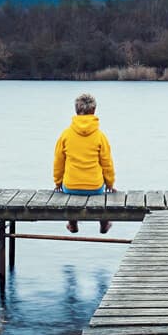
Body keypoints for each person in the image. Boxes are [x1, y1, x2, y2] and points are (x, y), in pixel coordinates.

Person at [53, 93, 116, 234]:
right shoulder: (100, 136)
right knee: (102, 195)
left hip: (70, 187)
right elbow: (107, 164)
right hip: (95, 187)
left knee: (70, 188)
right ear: (94, 111)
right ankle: (104, 223)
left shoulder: (65, 135)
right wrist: (110, 184)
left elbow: (58, 162)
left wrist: (58, 182)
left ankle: (72, 223)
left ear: (76, 111)